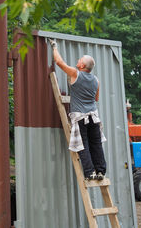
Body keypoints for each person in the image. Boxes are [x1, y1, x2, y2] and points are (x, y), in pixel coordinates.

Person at [50, 39, 107, 181]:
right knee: (96, 144)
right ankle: (100, 171)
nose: (77, 60)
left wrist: (54, 46)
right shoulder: (96, 80)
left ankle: (89, 173)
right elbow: (96, 99)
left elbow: (59, 63)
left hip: (81, 117)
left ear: (82, 65)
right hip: (94, 116)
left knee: (84, 145)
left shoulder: (76, 74)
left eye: (80, 59)